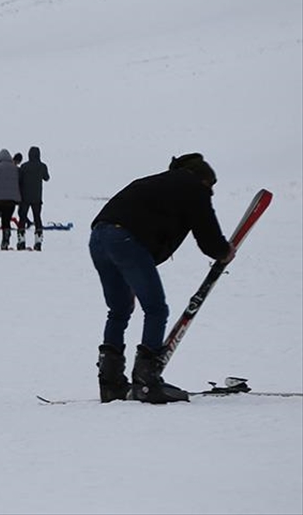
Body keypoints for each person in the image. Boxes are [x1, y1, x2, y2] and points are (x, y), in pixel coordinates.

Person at [90, 153, 232, 404]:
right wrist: (223, 251)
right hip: (125, 240)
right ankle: (147, 382)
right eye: (210, 187)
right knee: (156, 309)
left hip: (99, 237)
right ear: (203, 178)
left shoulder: (158, 182)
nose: (210, 193)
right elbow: (207, 235)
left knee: (119, 309)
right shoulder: (193, 187)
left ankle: (110, 384)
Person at [17, 146, 50, 251]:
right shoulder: (42, 166)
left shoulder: (24, 166)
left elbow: (19, 180)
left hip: (24, 197)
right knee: (37, 218)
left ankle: (21, 241)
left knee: (22, 218)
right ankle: (38, 241)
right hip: (37, 197)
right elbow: (46, 178)